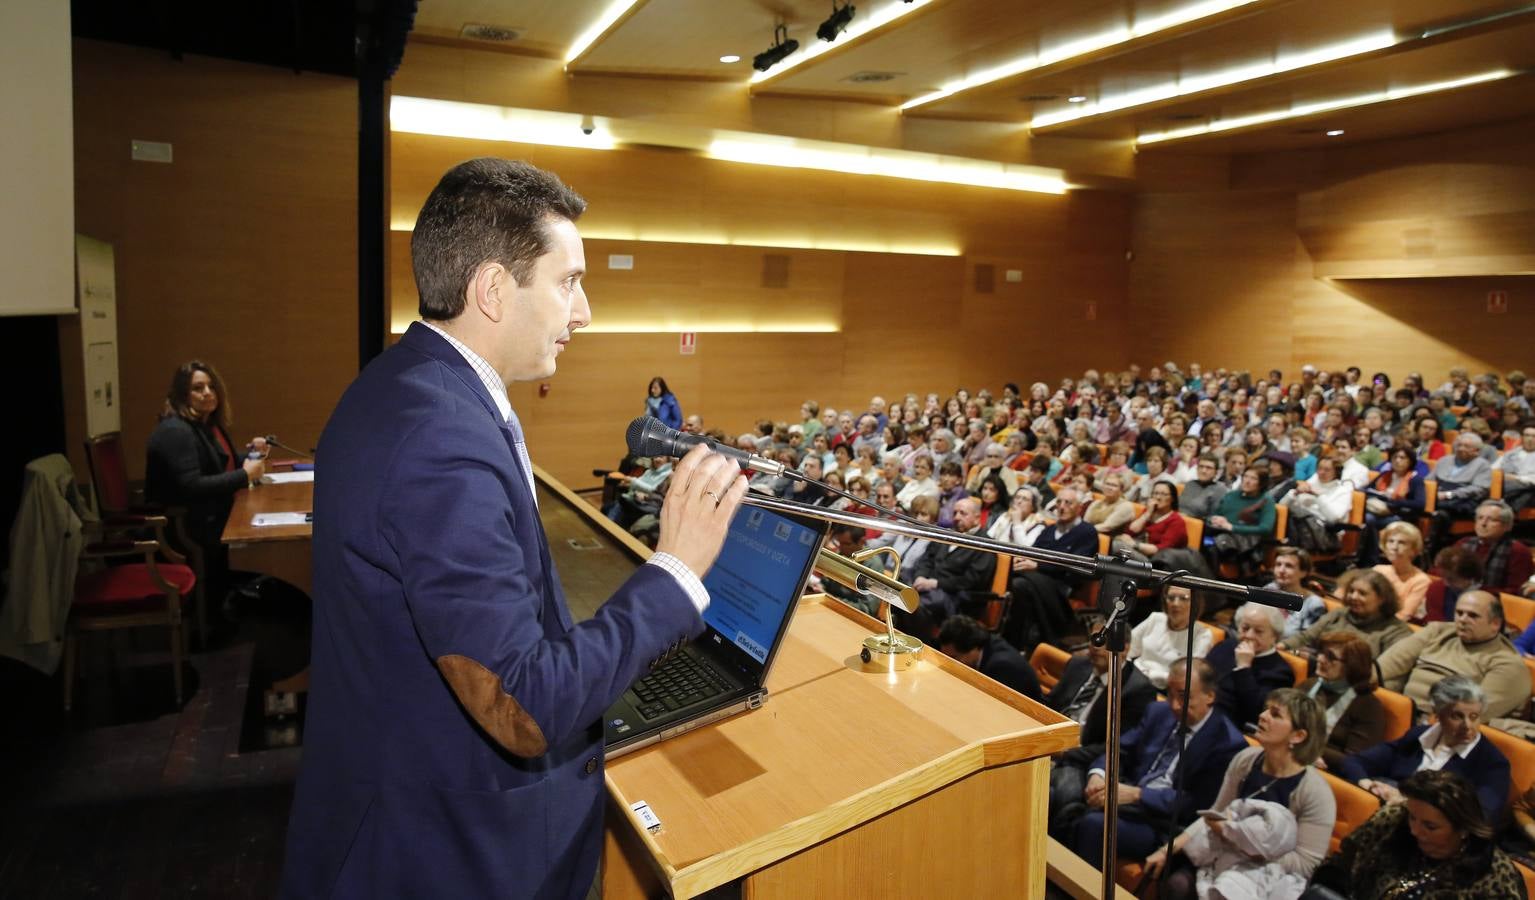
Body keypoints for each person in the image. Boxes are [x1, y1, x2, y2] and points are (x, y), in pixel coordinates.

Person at [282, 159, 750, 898]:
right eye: (569, 281)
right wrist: (675, 571)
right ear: (494, 290)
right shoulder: (438, 436)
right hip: (444, 853)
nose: (585, 310)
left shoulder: (406, 387)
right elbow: (523, 705)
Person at [1143, 689, 1335, 899]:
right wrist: (1167, 850)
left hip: (1266, 877)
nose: (1263, 716)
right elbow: (1214, 814)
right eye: (1265, 710)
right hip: (1220, 856)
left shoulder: (1315, 793)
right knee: (1176, 884)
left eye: (1275, 714)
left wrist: (1245, 845)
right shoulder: (1246, 759)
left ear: (1298, 736)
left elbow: (1305, 862)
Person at [1069, 658, 1248, 867]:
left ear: (1210, 696)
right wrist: (1099, 774)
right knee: (1068, 798)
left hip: (1163, 823)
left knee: (1094, 824)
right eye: (1170, 694)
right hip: (1126, 798)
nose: (1174, 704)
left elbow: (1196, 803)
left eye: (1183, 697)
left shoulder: (1227, 744)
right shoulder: (1158, 712)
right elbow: (1120, 750)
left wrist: (1137, 795)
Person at [144, 360, 268, 594]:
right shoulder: (176, 431)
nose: (208, 393)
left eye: (211, 387)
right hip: (184, 528)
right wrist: (244, 475)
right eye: (198, 388)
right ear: (182, 395)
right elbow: (191, 486)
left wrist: (252, 455)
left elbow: (219, 463)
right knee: (256, 535)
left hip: (206, 516)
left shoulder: (204, 424)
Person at [1309, 770, 1527, 899]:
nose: (1414, 830)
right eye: (1413, 817)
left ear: (1463, 829)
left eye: (1430, 827)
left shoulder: (1493, 875)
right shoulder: (1394, 821)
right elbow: (1338, 869)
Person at [1338, 676, 1511, 823]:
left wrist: (1407, 803)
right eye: (1457, 716)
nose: (1468, 726)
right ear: (1438, 714)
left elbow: (1480, 817)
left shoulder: (1492, 763)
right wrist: (1369, 786)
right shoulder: (1417, 737)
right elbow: (1355, 761)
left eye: (1474, 717)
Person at [1374, 590, 1531, 720]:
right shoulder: (1437, 631)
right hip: (1400, 710)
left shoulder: (1507, 664)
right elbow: (1384, 667)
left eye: (1473, 615)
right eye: (1459, 613)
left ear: (1495, 624)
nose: (1463, 620)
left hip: (1441, 729)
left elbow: (1471, 716)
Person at [1297, 633, 1385, 770]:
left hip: (1328, 771)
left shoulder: (1368, 706)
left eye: (1330, 657)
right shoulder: (1309, 684)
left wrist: (1303, 746)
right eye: (1321, 653)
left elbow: (1356, 761)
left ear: (1352, 665)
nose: (1320, 659)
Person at [1281, 568, 1413, 658]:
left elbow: (1382, 670)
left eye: (1362, 593)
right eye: (1351, 591)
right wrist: (1283, 646)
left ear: (1382, 598)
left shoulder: (1396, 631)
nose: (1353, 597)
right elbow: (1306, 637)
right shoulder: (1340, 614)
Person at [1206, 603, 1295, 729]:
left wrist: (1243, 667)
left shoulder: (1280, 672)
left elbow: (1255, 713)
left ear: (1274, 636)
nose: (1249, 636)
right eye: (1245, 628)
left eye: (1258, 631)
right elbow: (1201, 676)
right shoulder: (1227, 645)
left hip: (1226, 727)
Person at [936, 615, 1041, 701]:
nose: (950, 662)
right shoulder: (985, 645)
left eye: (954, 657)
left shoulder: (1000, 667)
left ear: (974, 648)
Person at [1129, 585, 1213, 691]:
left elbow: (1187, 676)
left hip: (1166, 689)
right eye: (1171, 597)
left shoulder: (1202, 635)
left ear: (1195, 603)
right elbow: (1128, 648)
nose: (1175, 603)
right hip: (1134, 678)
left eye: (1183, 598)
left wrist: (1150, 674)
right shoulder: (1155, 619)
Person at [1451, 500, 1533, 595]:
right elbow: (1442, 572)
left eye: (1492, 520)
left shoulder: (1517, 551)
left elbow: (1517, 592)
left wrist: (1476, 590)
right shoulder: (1463, 543)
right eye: (1480, 518)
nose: (1483, 523)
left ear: (1507, 526)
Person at [1371, 521, 1431, 622]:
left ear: (1414, 550)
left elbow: (1404, 616)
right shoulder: (1378, 570)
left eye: (1402, 543)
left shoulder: (1421, 580)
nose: (1394, 547)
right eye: (1390, 541)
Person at [1268, 546, 1328, 638]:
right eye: (1278, 564)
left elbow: (1307, 640)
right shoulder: (1270, 589)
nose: (1281, 570)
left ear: (1304, 572)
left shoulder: (1313, 604)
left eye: (1289, 566)